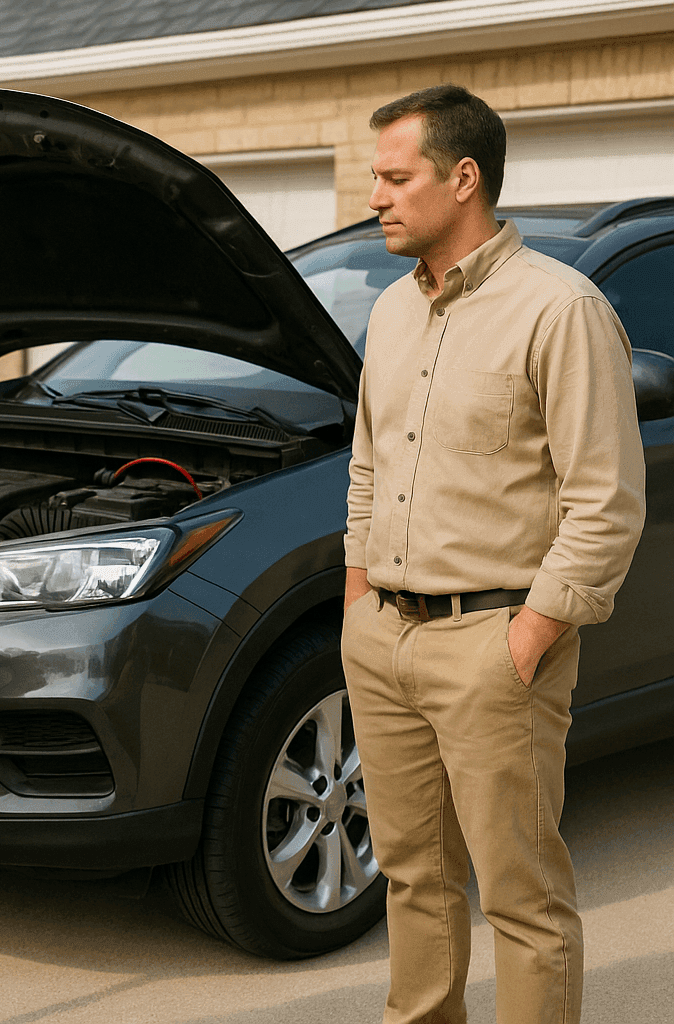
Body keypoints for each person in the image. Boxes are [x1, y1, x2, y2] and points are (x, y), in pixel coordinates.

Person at [341, 85, 644, 1024]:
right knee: (411, 880)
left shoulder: (561, 310)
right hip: (383, 639)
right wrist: (358, 605)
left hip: (494, 645)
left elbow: (607, 500)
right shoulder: (391, 312)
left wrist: (533, 632)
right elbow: (366, 464)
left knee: (522, 895)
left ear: (462, 177)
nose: (377, 196)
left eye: (397, 177)